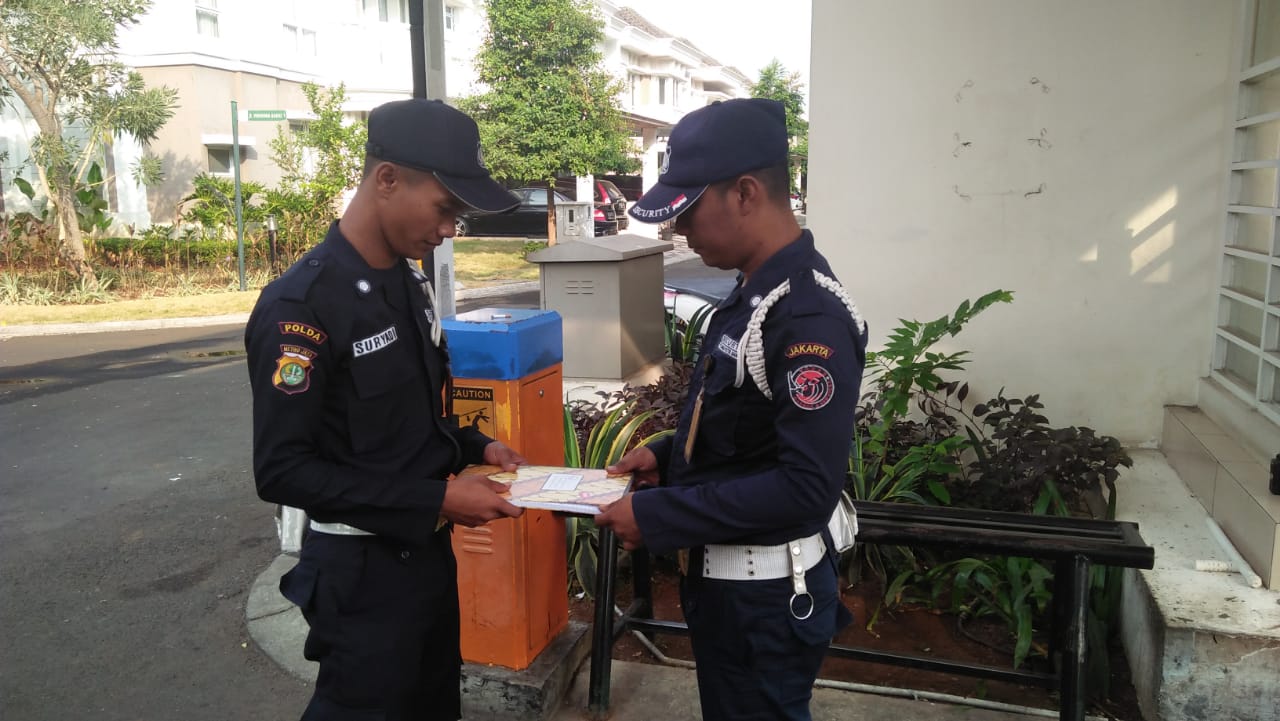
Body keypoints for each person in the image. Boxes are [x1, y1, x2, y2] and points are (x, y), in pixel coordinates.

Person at [244, 98, 527, 721]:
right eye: (445, 207)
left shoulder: (407, 284)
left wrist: (475, 448)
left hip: (426, 562)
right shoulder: (302, 306)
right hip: (360, 577)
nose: (450, 228)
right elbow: (283, 471)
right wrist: (438, 500)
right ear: (387, 180)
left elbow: (408, 419)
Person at [595, 98, 869, 721]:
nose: (680, 230)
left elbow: (805, 487)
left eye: (689, 210)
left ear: (745, 193)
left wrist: (659, 516)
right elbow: (744, 428)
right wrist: (667, 454)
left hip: (767, 600)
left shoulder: (806, 315)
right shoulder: (754, 290)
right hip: (731, 590)